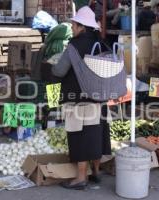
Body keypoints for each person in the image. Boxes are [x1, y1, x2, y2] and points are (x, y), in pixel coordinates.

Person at [51, 6, 111, 190]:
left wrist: (52, 67)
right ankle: (96, 171)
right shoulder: (101, 43)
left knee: (80, 137)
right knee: (97, 134)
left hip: (78, 99)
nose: (72, 28)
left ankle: (80, 178)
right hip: (99, 99)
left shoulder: (74, 46)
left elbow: (60, 71)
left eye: (74, 25)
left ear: (81, 26)